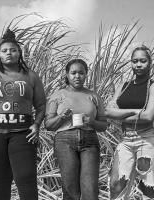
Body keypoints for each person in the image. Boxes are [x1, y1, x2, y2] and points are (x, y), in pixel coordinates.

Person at [0, 29, 46, 200]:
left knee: (25, 178)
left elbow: (41, 105)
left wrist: (37, 124)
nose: (9, 53)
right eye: (4, 51)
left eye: (13, 50)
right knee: (1, 180)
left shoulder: (31, 76)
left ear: (19, 53)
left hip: (23, 133)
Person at [45, 58, 107, 200]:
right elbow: (48, 125)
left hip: (90, 140)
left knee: (90, 190)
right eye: (73, 73)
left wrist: (91, 121)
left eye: (81, 73)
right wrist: (62, 117)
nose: (77, 76)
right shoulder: (57, 96)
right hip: (64, 141)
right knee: (70, 189)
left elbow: (103, 125)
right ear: (67, 74)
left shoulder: (93, 96)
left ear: (86, 74)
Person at [106, 46, 154, 200]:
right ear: (131, 63)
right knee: (116, 184)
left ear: (150, 63)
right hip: (125, 140)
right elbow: (107, 111)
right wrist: (135, 112)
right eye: (134, 61)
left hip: (146, 140)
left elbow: (148, 116)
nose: (138, 64)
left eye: (143, 61)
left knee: (148, 189)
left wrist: (119, 115)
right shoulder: (123, 86)